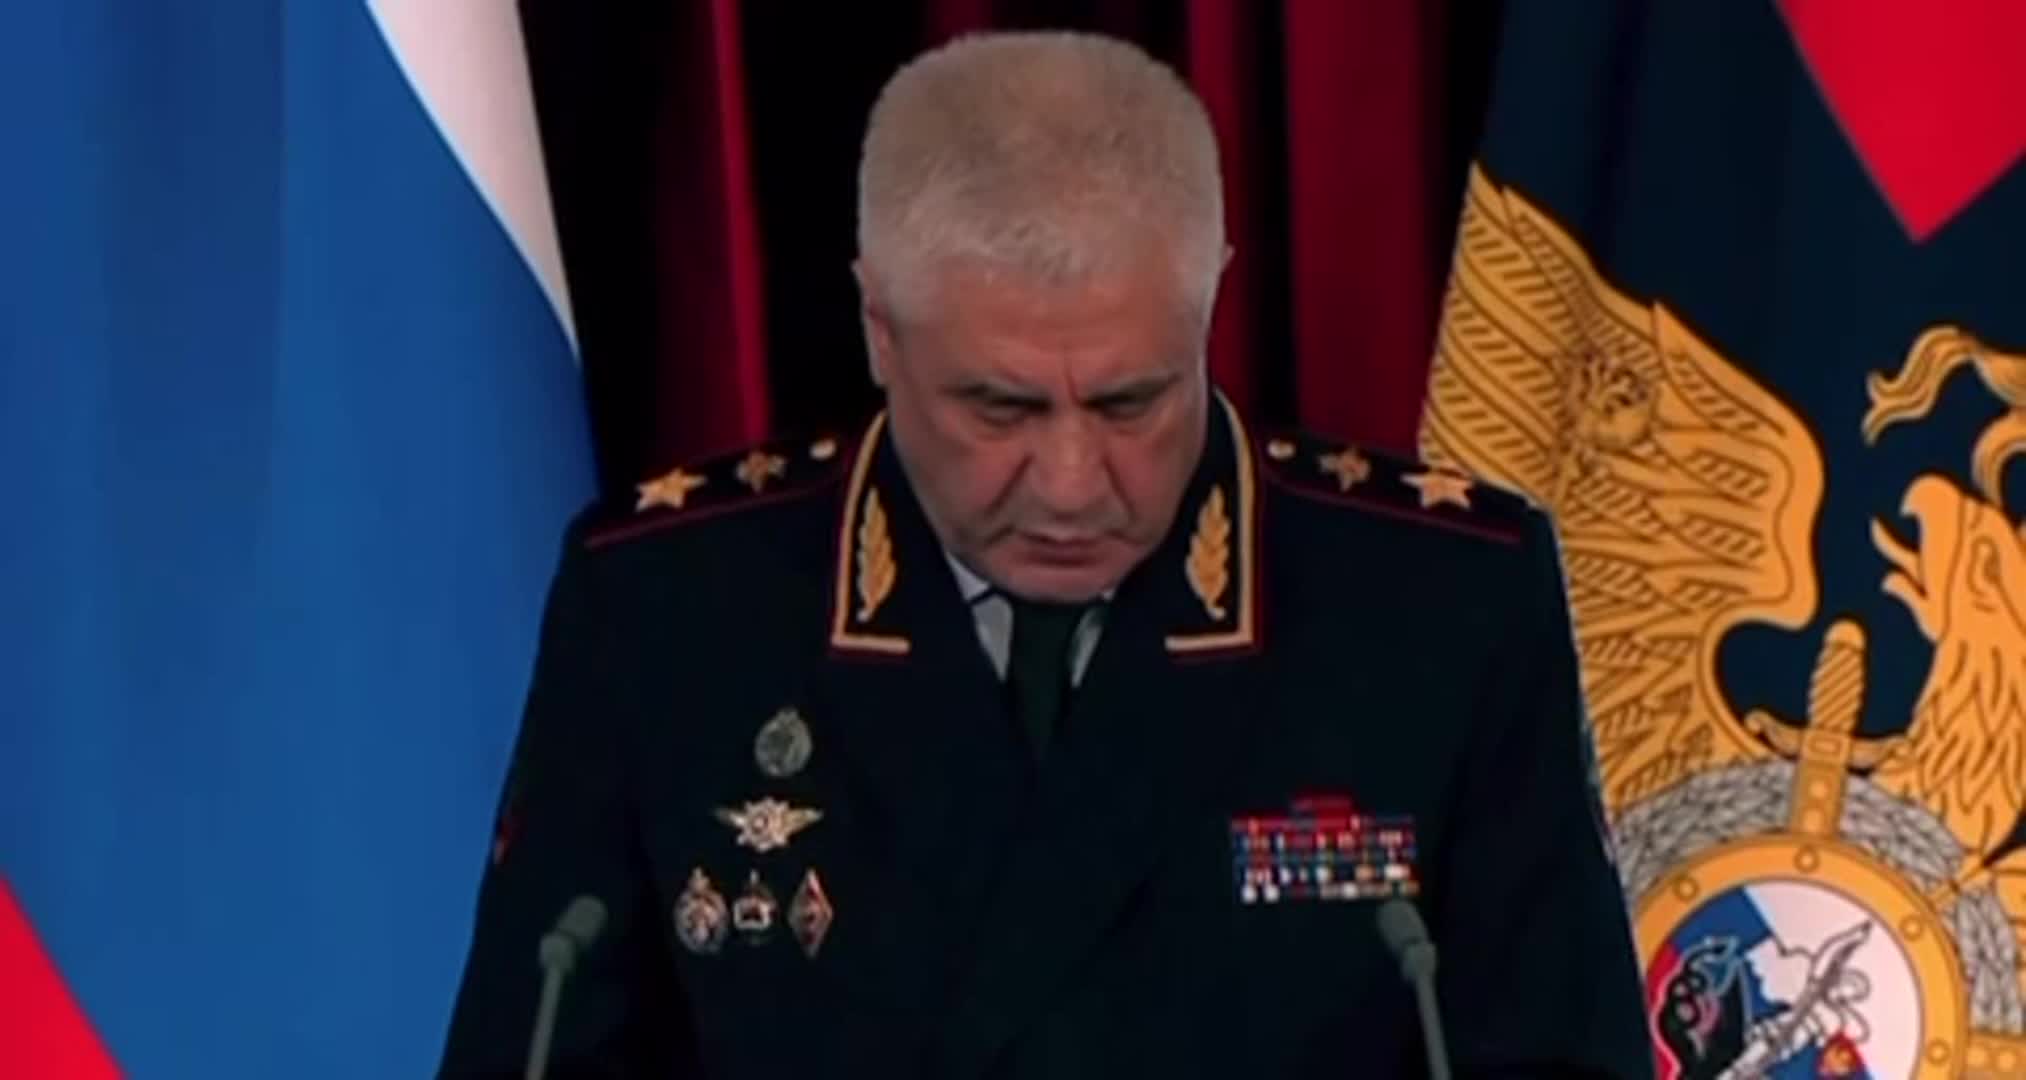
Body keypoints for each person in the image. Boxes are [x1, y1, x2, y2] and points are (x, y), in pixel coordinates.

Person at [438, 29, 1650, 1079]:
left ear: (1208, 305)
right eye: (999, 408)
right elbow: (541, 1047)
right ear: (877, 330)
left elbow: (1555, 1049)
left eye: (1131, 402)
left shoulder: (1441, 605)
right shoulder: (668, 609)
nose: (1071, 484)